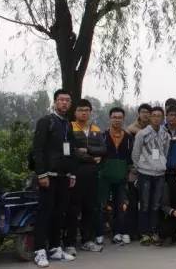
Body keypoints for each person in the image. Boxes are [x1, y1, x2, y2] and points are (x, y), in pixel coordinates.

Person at [32, 90, 77, 268]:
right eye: (61, 100)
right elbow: (37, 149)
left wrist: (72, 173)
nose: (64, 103)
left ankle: (55, 248)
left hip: (63, 176)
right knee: (45, 213)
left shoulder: (67, 124)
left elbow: (71, 150)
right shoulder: (46, 121)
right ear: (55, 102)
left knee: (59, 213)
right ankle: (39, 250)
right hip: (48, 176)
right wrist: (41, 174)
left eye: (67, 100)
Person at [65, 99, 106, 253]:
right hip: (76, 173)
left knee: (90, 207)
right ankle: (69, 243)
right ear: (75, 112)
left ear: (90, 112)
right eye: (80, 110)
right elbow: (71, 150)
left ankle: (87, 240)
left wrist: (87, 150)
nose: (84, 113)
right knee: (73, 208)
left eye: (86, 110)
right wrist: (92, 157)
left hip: (92, 174)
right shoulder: (69, 127)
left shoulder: (96, 129)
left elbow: (103, 149)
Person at [131, 106, 170, 246]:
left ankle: (154, 231)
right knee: (145, 204)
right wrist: (140, 167)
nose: (156, 118)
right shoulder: (142, 134)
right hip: (145, 174)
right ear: (150, 117)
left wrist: (161, 163)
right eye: (154, 115)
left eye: (159, 116)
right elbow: (135, 153)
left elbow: (165, 152)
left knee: (156, 205)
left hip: (160, 174)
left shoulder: (166, 134)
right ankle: (144, 233)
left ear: (163, 118)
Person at [97, 107, 133, 246]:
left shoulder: (128, 138)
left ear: (123, 119)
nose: (117, 120)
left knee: (120, 205)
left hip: (121, 177)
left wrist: (128, 173)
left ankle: (117, 232)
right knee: (101, 205)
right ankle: (99, 233)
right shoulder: (102, 136)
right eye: (114, 117)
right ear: (110, 118)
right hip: (104, 176)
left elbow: (130, 159)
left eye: (119, 117)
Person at [126, 103, 153, 239]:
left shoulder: (155, 129)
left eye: (148, 112)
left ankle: (146, 230)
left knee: (147, 202)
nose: (145, 114)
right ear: (139, 113)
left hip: (150, 170)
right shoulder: (130, 130)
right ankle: (132, 231)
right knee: (133, 201)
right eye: (143, 112)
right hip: (134, 169)